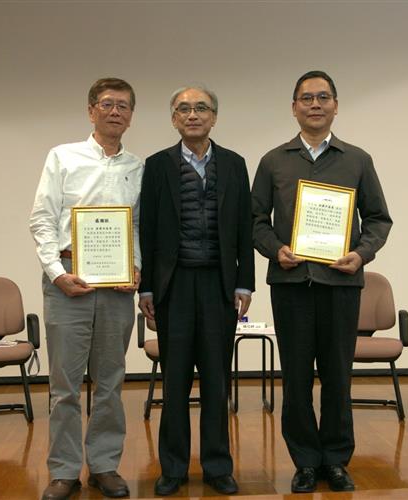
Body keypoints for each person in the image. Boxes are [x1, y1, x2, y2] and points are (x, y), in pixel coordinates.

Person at [251, 70, 392, 493]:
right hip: (292, 284)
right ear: (294, 107)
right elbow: (255, 221)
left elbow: (379, 219)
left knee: (337, 376)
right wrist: (276, 248)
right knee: (295, 379)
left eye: (323, 97)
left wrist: (361, 254)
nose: (315, 104)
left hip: (341, 284)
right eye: (306, 98)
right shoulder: (274, 161)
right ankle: (305, 462)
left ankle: (335, 459)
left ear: (335, 105)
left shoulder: (358, 159)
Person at [138, 85, 255, 496]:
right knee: (174, 382)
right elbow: (148, 230)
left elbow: (244, 226)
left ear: (214, 117)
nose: (192, 115)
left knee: (217, 380)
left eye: (200, 108)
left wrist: (245, 282)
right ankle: (172, 467)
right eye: (183, 109)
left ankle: (217, 465)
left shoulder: (236, 164)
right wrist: (147, 288)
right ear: (173, 118)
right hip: (174, 287)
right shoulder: (156, 166)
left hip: (219, 285)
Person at [29, 77, 142, 500]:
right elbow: (42, 219)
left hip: (116, 286)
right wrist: (57, 272)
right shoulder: (63, 157)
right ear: (91, 109)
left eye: (124, 106)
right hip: (68, 278)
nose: (116, 111)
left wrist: (137, 268)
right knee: (65, 385)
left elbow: (135, 227)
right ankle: (62, 471)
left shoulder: (137, 167)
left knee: (111, 381)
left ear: (131, 116)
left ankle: (105, 465)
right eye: (108, 104)